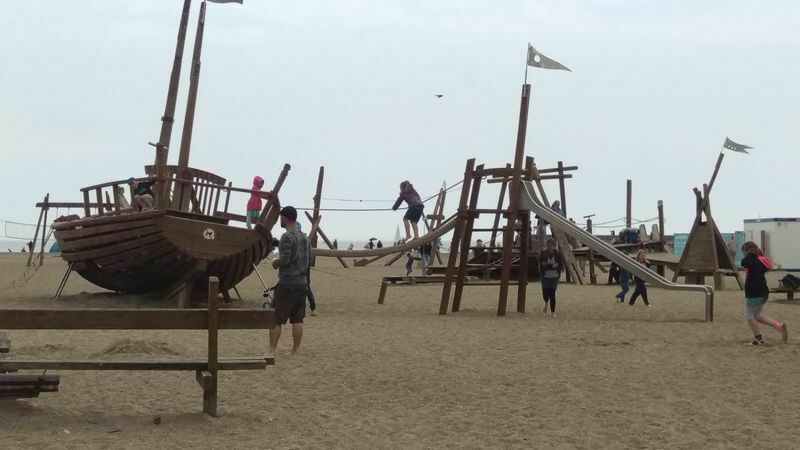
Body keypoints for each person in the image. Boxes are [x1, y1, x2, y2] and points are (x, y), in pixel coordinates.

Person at [268, 206, 310, 355]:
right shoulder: (305, 237)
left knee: (276, 318)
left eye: (281, 217)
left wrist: (275, 262)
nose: (280, 220)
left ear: (285, 218)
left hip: (287, 283)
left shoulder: (286, 237)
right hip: (302, 283)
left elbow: (285, 260)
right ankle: (296, 349)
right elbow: (308, 259)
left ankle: (272, 349)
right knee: (297, 319)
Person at [741, 241, 788, 345]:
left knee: (749, 316)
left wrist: (750, 253)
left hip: (754, 293)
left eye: (744, 252)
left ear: (747, 251)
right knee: (757, 316)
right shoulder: (761, 262)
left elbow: (743, 262)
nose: (743, 255)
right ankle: (778, 326)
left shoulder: (751, 261)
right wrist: (753, 253)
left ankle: (758, 338)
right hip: (763, 292)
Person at [295, 223, 317, 316]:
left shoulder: (296, 239)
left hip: (299, 267)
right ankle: (313, 308)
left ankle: (302, 308)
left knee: (298, 286)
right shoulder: (307, 239)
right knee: (307, 287)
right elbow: (311, 254)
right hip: (306, 267)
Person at [539, 238, 562, 316]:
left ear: (554, 246)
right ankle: (546, 303)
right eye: (547, 245)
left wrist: (550, 266)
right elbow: (541, 263)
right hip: (545, 276)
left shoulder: (558, 254)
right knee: (545, 293)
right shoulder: (544, 253)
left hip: (554, 276)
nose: (549, 247)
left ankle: (553, 312)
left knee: (552, 294)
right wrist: (552, 266)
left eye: (551, 245)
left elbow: (560, 265)